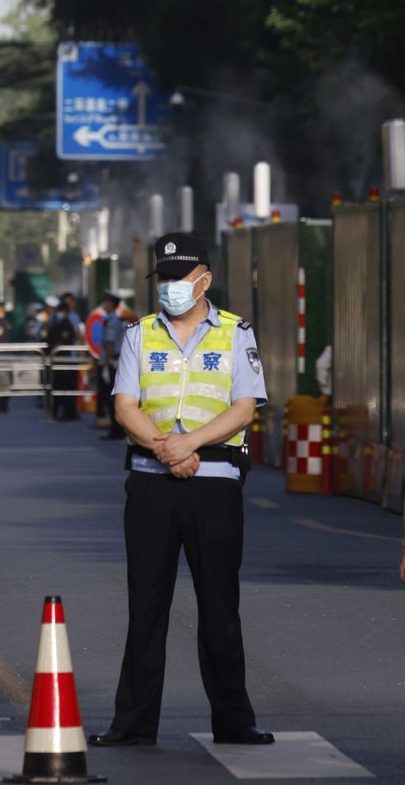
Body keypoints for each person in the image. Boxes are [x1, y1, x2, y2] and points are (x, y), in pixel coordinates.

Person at [91, 232, 274, 749]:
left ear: (204, 280)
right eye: (164, 278)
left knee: (220, 606)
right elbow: (125, 404)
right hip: (151, 482)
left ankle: (234, 720)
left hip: (215, 483)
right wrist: (165, 449)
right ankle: (133, 723)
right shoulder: (139, 335)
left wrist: (189, 443)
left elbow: (245, 405)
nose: (170, 287)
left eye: (179, 278)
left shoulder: (236, 334)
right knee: (146, 606)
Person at [45, 298, 82, 421]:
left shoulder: (67, 324)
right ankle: (56, 411)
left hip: (66, 359)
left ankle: (68, 412)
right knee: (57, 386)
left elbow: (66, 339)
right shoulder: (54, 323)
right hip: (58, 360)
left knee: (67, 387)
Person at [99, 294, 127, 440]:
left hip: (111, 363)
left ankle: (116, 430)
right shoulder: (111, 320)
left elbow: (110, 344)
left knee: (110, 397)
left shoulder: (112, 322)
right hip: (112, 361)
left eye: (107, 302)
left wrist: (105, 363)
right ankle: (115, 429)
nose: (104, 304)